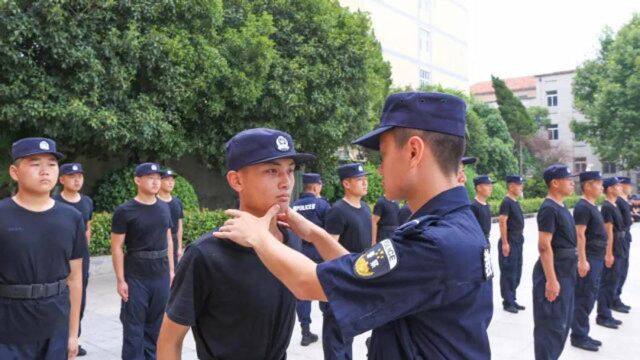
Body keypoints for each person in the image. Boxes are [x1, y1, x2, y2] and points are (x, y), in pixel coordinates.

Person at [214, 91, 494, 359]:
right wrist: (315, 233)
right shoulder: (455, 225)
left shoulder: (434, 242)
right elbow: (363, 274)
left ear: (413, 152)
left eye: (383, 155)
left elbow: (307, 284)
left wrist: (258, 236)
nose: (380, 168)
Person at [157, 128, 312, 360]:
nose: (286, 182)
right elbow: (170, 340)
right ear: (236, 180)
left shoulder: (291, 240)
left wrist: (316, 235)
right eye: (272, 171)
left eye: (290, 171)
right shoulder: (207, 254)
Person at [0, 137, 86, 359]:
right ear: (14, 172)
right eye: (35, 163)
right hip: (8, 329)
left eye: (51, 164)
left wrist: (72, 334)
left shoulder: (71, 217)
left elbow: (75, 278)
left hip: (55, 326)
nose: (45, 171)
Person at [111, 162, 175, 359]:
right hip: (136, 275)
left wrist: (172, 271)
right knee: (134, 327)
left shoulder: (164, 208)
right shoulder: (125, 211)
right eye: (150, 177)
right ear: (137, 180)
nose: (156, 182)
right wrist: (121, 280)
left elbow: (168, 239)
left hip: (161, 274)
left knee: (156, 325)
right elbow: (116, 247)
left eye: (158, 178)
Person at [321, 162, 371, 360]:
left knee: (347, 334)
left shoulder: (365, 208)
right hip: (343, 281)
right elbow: (328, 249)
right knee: (336, 336)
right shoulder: (338, 211)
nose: (365, 183)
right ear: (347, 184)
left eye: (365, 180)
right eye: (360, 180)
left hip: (360, 279)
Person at [532, 164, 578, 360]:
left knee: (562, 322)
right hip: (554, 270)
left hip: (566, 269)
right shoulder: (549, 208)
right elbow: (544, 246)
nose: (572, 183)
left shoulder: (561, 205)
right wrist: (551, 280)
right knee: (550, 324)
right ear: (555, 183)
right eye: (568, 179)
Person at [54, 162, 94, 357]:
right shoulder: (54, 201)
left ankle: (74, 339)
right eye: (72, 176)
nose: (77, 179)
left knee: (80, 300)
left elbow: (88, 227)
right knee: (59, 299)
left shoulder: (87, 201)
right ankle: (57, 340)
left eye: (80, 176)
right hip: (58, 259)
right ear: (61, 180)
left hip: (80, 259)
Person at [569, 171, 606, 352]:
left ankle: (583, 331)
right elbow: (579, 235)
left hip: (597, 257)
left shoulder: (592, 205)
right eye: (598, 183)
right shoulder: (583, 206)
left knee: (590, 296)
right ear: (588, 185)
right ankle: (578, 335)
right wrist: (582, 260)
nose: (601, 187)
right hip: (589, 258)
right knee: (584, 296)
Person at [291, 172, 329, 346]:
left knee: (303, 294)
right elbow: (330, 231)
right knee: (325, 289)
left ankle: (305, 332)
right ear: (315, 186)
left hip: (300, 253)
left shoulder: (294, 206)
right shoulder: (322, 205)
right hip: (320, 253)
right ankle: (329, 324)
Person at [596, 177, 625, 330]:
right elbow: (608, 232)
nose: (620, 187)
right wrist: (608, 253)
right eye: (617, 186)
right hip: (613, 247)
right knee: (608, 282)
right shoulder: (607, 207)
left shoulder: (615, 204)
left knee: (614, 280)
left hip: (620, 245)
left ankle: (607, 312)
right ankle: (603, 315)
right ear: (610, 189)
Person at [498, 175, 526, 314]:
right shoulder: (506, 202)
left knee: (517, 271)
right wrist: (505, 242)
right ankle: (507, 302)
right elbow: (502, 222)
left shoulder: (515, 202)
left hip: (518, 240)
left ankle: (512, 298)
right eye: (519, 185)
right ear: (511, 187)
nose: (521, 187)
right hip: (510, 240)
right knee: (509, 272)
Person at [613, 176, 633, 313]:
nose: (629, 187)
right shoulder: (618, 202)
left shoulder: (624, 201)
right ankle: (613, 300)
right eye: (627, 185)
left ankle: (616, 297)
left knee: (623, 270)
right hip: (618, 239)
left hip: (625, 237)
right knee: (617, 272)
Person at [158, 169, 184, 267]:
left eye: (172, 180)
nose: (170, 183)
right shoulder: (154, 202)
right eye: (167, 180)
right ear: (160, 182)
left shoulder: (177, 202)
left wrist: (179, 247)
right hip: (159, 241)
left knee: (174, 274)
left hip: (174, 241)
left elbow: (179, 225)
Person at [470, 175, 495, 242]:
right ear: (478, 188)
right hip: (476, 242)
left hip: (484, 240)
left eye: (491, 185)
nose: (490, 188)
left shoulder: (486, 205)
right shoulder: (473, 206)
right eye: (487, 185)